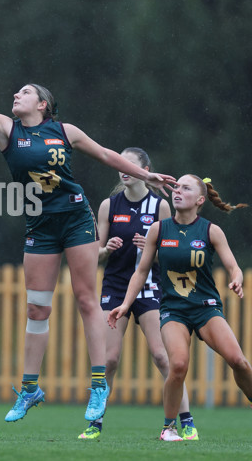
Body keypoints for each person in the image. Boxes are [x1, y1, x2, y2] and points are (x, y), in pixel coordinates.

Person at [0, 28, 176, 427]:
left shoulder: (64, 131)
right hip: (40, 226)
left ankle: (99, 382)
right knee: (37, 307)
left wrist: (146, 175)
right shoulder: (7, 130)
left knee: (87, 300)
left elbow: (105, 154)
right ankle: (30, 387)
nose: (16, 96)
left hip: (75, 220)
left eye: (24, 92)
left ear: (43, 104)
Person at [109, 175, 251, 441]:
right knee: (178, 365)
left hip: (206, 309)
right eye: (176, 187)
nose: (177, 191)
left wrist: (236, 278)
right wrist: (125, 305)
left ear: (199, 200)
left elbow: (232, 265)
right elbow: (141, 272)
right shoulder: (159, 230)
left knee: (239, 361)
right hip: (174, 310)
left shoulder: (211, 230)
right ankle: (168, 428)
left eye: (186, 188)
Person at [79, 148, 197, 440]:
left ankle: (186, 421)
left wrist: (152, 251)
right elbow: (96, 254)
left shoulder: (160, 207)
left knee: (162, 356)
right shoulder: (109, 205)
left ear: (145, 169)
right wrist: (106, 249)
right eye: (120, 163)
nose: (123, 169)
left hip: (150, 289)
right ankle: (95, 424)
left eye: (130, 165)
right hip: (115, 289)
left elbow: (173, 256)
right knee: (109, 360)